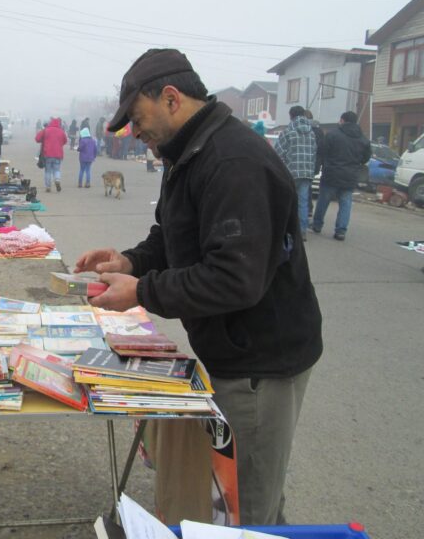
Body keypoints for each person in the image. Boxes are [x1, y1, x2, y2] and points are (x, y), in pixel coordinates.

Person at [75, 48, 322, 526]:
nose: (135, 131)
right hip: (233, 352)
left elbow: (235, 277)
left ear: (171, 98)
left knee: (243, 507)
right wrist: (128, 261)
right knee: (245, 489)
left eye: (138, 118)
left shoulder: (233, 161)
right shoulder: (186, 153)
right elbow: (171, 237)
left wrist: (142, 292)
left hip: (261, 365)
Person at [311, 111, 371, 241]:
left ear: (342, 120)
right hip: (350, 175)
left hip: (331, 173)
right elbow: (366, 157)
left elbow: (321, 151)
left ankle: (317, 225)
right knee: (345, 203)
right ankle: (341, 231)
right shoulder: (363, 139)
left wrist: (323, 164)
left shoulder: (332, 135)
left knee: (323, 200)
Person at [274, 105, 317, 241]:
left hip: (290, 172)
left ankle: (285, 231)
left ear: (291, 116)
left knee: (287, 201)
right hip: (306, 172)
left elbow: (278, 153)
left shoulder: (288, 132)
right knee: (303, 202)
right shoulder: (311, 133)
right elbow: (314, 152)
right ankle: (302, 231)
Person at [35, 117, 67, 193]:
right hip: (58, 154)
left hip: (47, 154)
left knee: (48, 171)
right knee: (57, 169)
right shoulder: (61, 131)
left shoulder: (46, 130)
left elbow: (37, 139)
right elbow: (65, 141)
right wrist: (59, 144)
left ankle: (48, 187)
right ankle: (57, 180)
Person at [304, 109, 324, 217]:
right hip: (315, 164)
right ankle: (309, 209)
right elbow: (321, 149)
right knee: (308, 186)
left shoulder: (306, 129)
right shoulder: (319, 130)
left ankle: (307, 208)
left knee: (304, 187)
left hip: (304, 163)